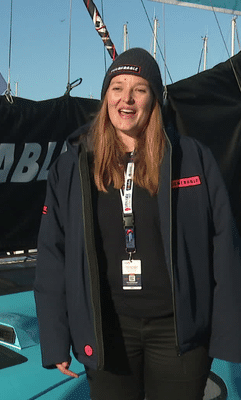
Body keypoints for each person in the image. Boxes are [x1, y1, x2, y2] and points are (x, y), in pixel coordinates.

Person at [34, 47, 241, 400]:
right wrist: (55, 340)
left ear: (154, 99)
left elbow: (224, 246)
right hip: (108, 332)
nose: (126, 99)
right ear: (105, 97)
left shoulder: (192, 158)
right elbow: (53, 254)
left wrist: (228, 333)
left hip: (180, 334)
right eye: (117, 87)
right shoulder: (73, 166)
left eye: (139, 89)